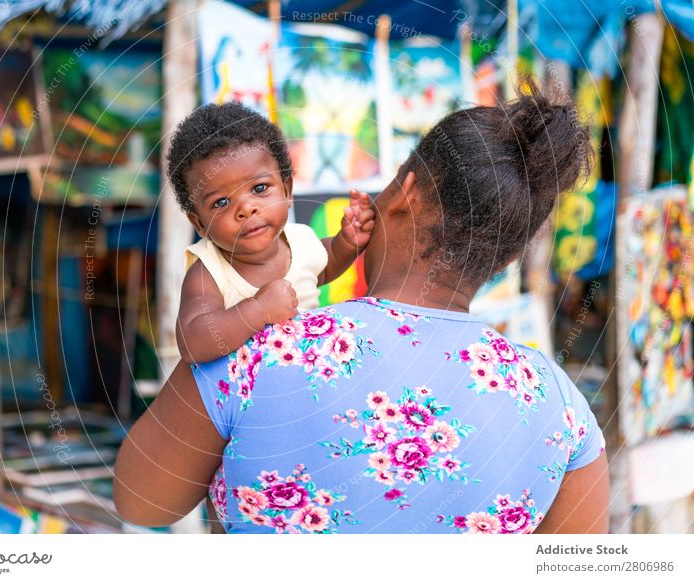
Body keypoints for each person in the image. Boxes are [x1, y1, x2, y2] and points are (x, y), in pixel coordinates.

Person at [114, 80, 610, 534]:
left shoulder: (256, 352)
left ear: (405, 194)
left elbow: (141, 501)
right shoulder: (563, 411)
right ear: (510, 254)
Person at [166, 102, 375, 364]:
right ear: (199, 223)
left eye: (260, 188)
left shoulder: (301, 240)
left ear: (287, 191)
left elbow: (325, 264)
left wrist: (347, 242)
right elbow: (192, 342)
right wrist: (258, 310)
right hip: (248, 396)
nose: (246, 208)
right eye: (221, 202)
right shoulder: (209, 272)